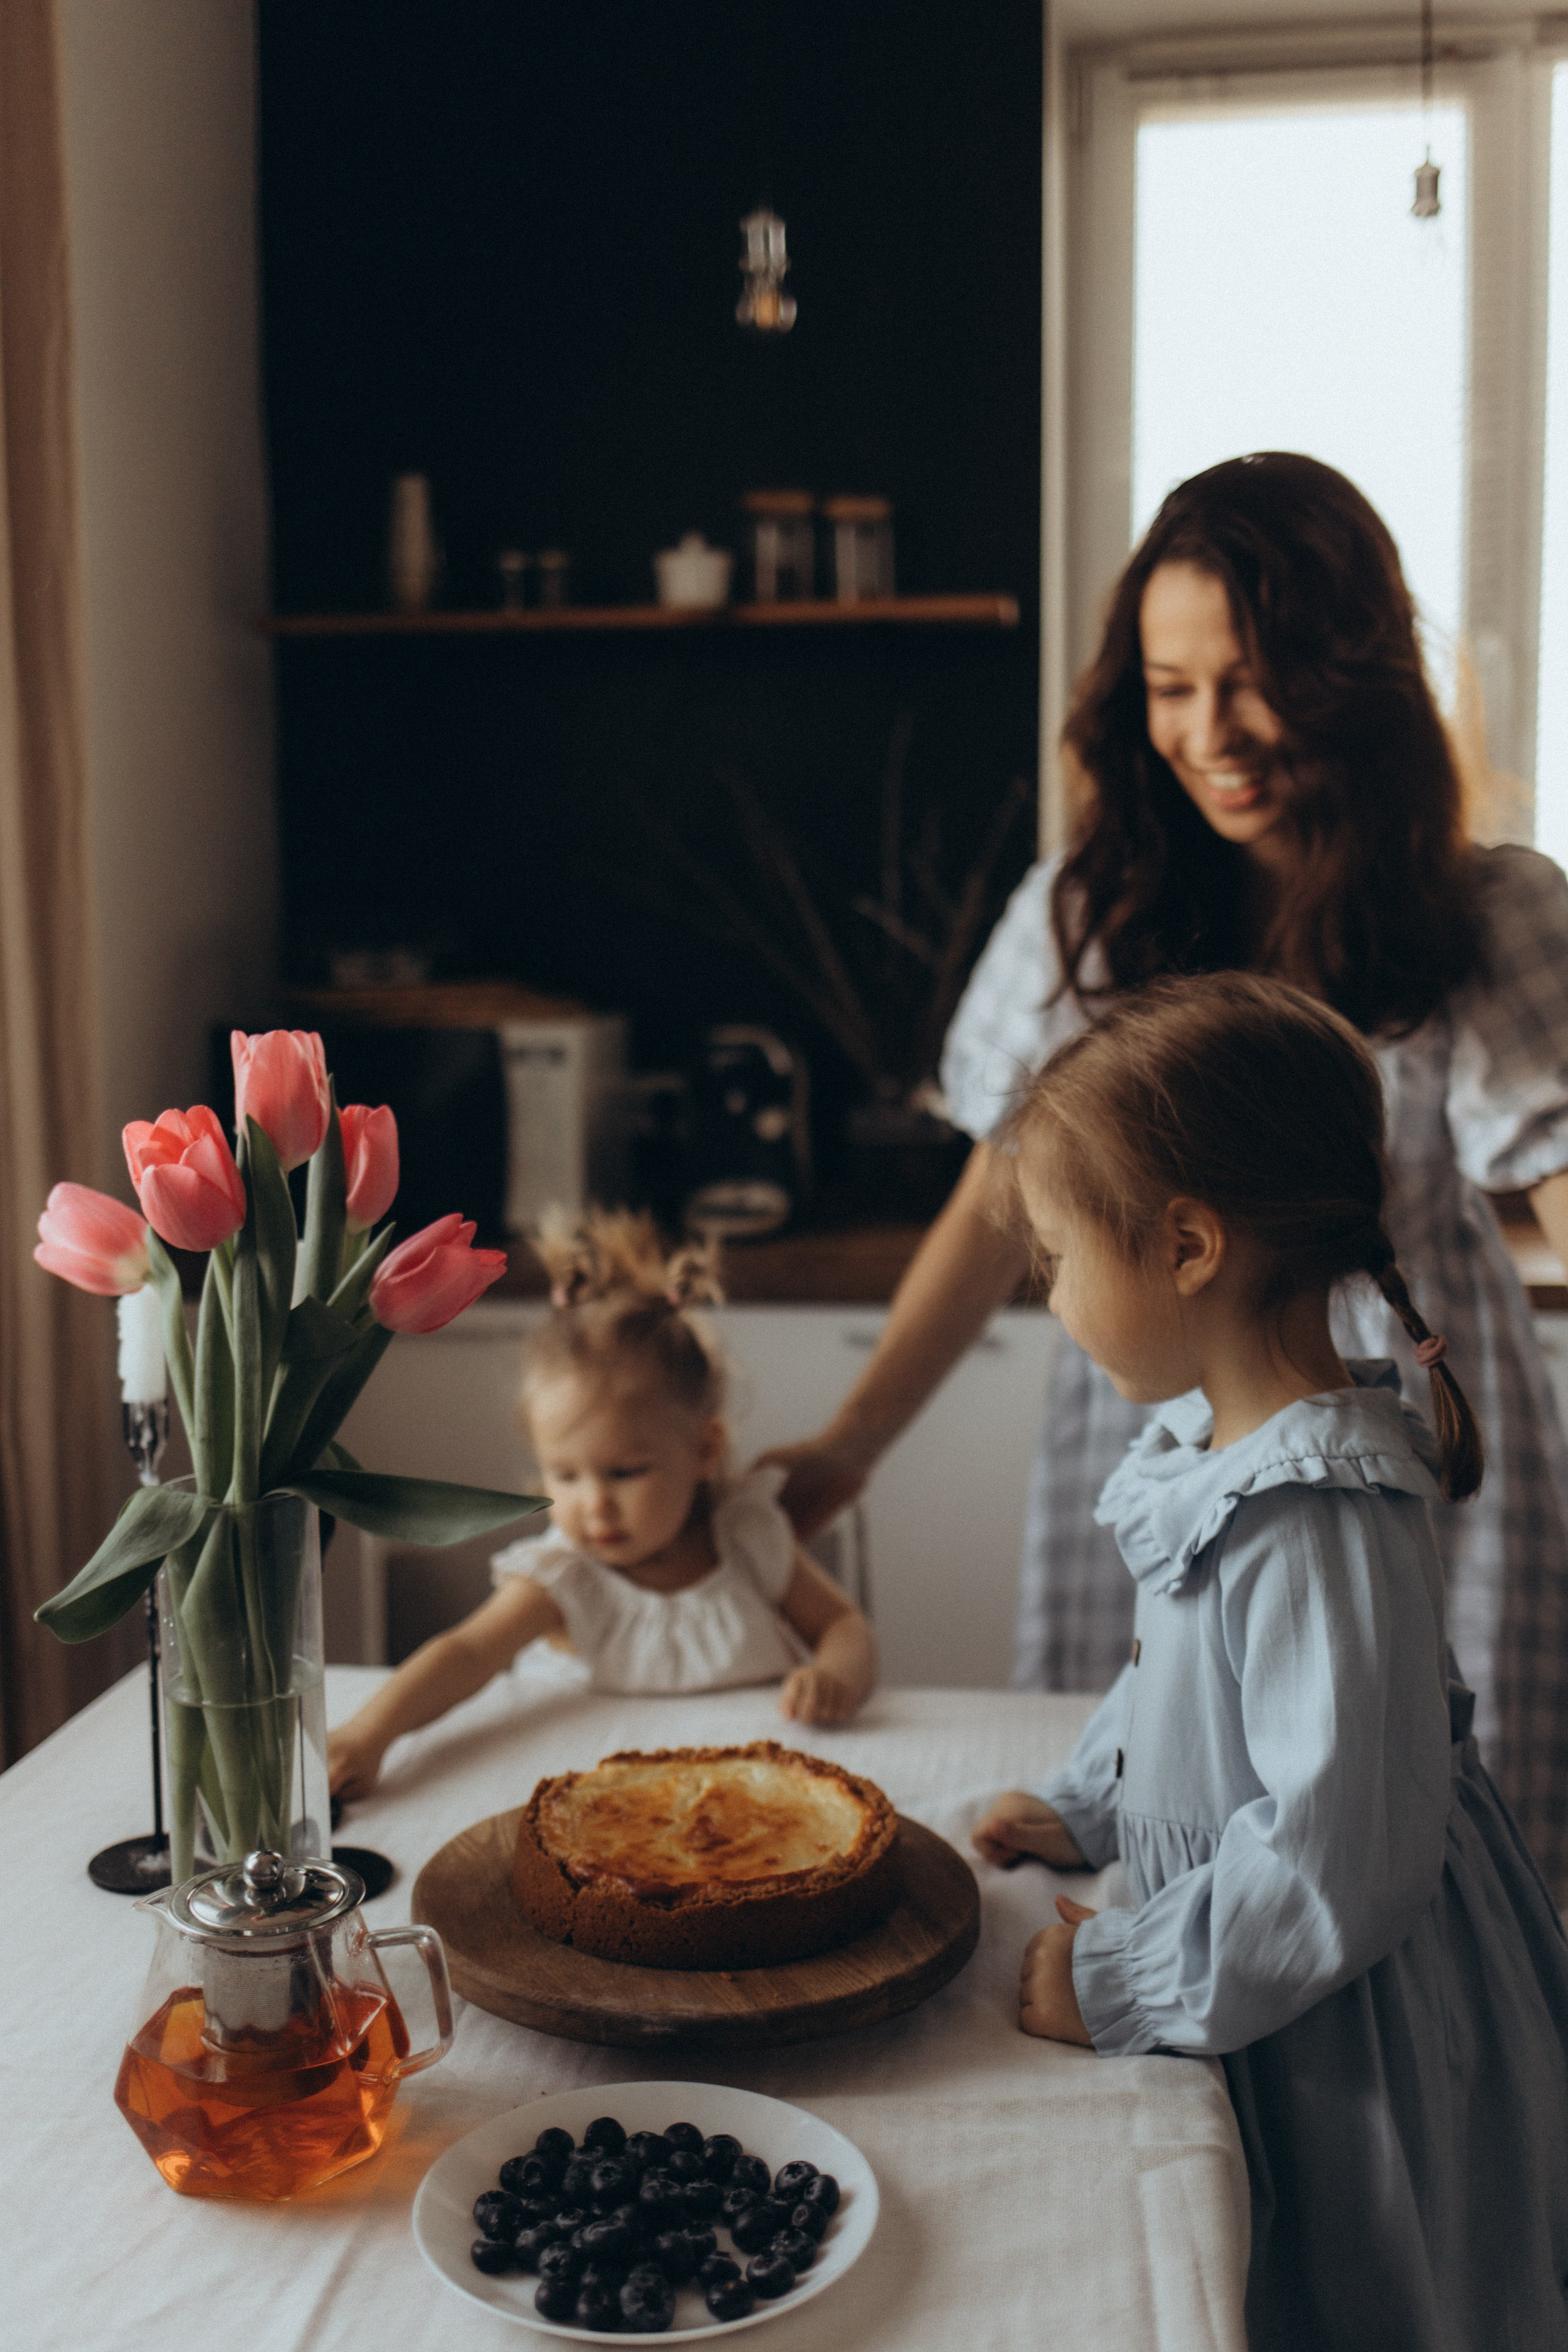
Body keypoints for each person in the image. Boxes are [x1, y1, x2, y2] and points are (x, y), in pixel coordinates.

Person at [766, 452, 1568, 1896]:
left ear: (1357, 674)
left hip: (1398, 1436)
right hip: (1153, 1426)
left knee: (1407, 1856)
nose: (1212, 733)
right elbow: (990, 1202)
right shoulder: (1087, 908)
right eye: (1169, 685)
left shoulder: (1480, 909)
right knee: (1156, 1827)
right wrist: (847, 1444)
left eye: (1253, 681)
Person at [971, 973, 1568, 2351]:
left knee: (1352, 2290)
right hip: (1267, 1954)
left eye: (1058, 1255)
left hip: (1334, 2007)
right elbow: (1177, 1681)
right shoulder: (1229, 1457)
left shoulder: (1313, 1512)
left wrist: (1120, 1980)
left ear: (1185, 1243)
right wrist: (1092, 1803)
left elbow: (1333, 1862)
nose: (1049, 1294)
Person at [328, 1212, 875, 1800]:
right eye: (564, 1475)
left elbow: (843, 1624)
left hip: (755, 1799)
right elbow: (464, 1654)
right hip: (598, 1805)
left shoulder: (747, 1537)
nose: (595, 1506)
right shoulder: (563, 1576)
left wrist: (835, 1675)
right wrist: (368, 1733)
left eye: (625, 1472)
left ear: (703, 1450)